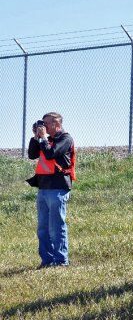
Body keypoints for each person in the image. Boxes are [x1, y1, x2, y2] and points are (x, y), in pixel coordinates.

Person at [26, 112, 76, 268]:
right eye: (43, 124)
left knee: (56, 227)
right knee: (43, 228)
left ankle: (61, 261)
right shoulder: (44, 140)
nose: (44, 127)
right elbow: (32, 154)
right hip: (43, 187)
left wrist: (43, 139)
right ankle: (47, 261)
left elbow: (50, 154)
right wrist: (36, 137)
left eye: (46, 124)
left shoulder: (65, 139)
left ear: (57, 125)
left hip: (58, 188)